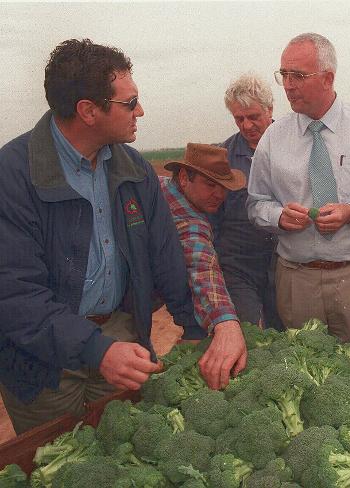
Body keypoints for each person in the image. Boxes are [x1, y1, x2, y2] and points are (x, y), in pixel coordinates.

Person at [0, 39, 203, 434]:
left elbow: (165, 256)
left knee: (121, 454)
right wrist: (96, 349)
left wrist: (193, 328)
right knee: (58, 462)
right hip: (42, 358)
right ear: (88, 111)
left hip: (120, 339)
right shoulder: (13, 174)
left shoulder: (135, 169)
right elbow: (14, 293)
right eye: (130, 103)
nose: (140, 111)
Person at [247, 32, 350, 350]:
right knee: (304, 373)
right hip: (296, 279)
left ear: (328, 78)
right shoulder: (274, 137)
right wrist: (279, 217)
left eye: (298, 75)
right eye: (283, 74)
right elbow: (256, 203)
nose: (287, 84)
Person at [160, 143, 248, 389]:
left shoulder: (160, 186)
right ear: (185, 177)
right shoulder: (191, 222)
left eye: (224, 187)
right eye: (210, 185)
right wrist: (227, 323)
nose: (219, 195)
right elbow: (203, 266)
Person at [209, 74, 283, 331]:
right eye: (239, 118)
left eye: (253, 117)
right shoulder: (223, 157)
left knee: (287, 334)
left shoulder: (294, 145)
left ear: (269, 109)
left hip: (285, 262)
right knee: (251, 332)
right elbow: (212, 216)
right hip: (239, 265)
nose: (246, 125)